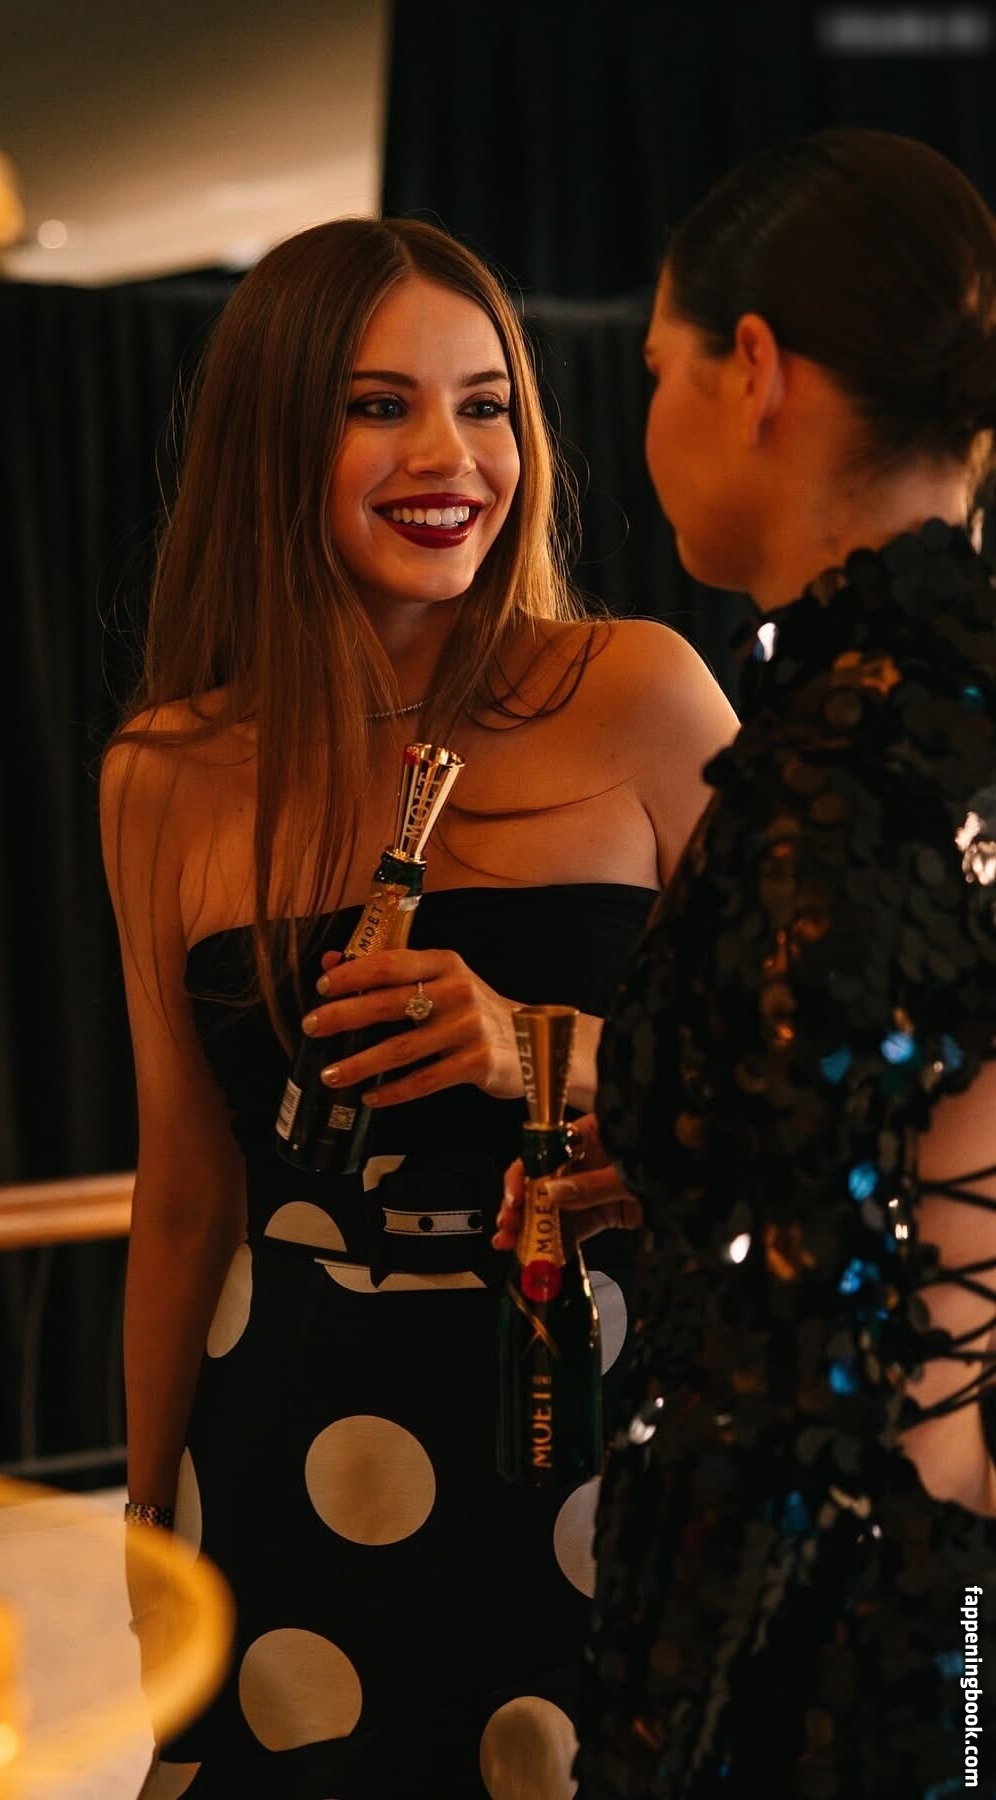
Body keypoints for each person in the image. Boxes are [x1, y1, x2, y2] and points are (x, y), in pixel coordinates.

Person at [101, 216, 735, 1799]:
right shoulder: (162, 774)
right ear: (272, 440)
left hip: (607, 1422)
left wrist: (544, 1050)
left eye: (486, 403)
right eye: (379, 405)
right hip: (287, 1435)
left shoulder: (641, 691)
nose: (450, 455)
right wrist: (148, 1514)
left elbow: (821, 1082)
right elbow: (185, 1192)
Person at [497, 129, 996, 1796]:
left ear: (756, 372)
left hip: (826, 1630)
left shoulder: (837, 770)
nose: (645, 413)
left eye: (659, 367)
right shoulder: (936, 717)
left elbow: (873, 1322)